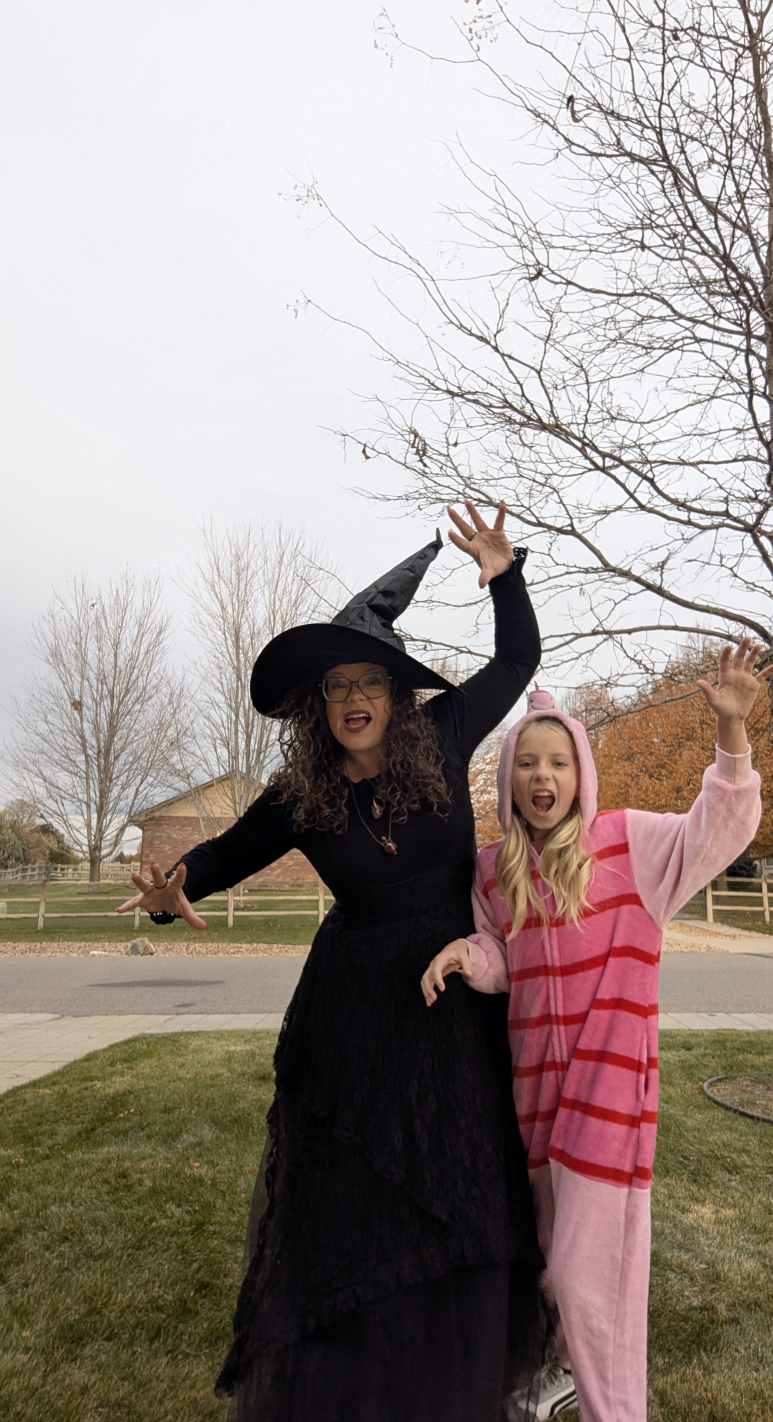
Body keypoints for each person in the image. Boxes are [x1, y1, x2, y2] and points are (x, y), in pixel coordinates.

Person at [117, 502, 545, 1422]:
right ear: (319, 703)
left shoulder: (444, 736)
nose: (354, 698)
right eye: (337, 685)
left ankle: (448, 1377)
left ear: (396, 692)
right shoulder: (300, 791)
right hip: (352, 1013)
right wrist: (173, 885)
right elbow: (225, 851)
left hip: (450, 1004)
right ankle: (356, 1374)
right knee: (356, 1195)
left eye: (370, 682)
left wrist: (506, 578)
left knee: (454, 1178)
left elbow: (516, 662)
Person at [421, 638, 773, 1422]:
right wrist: (467, 955)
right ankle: (561, 1373)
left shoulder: (628, 844)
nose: (542, 777)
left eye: (558, 762)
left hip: (611, 1101)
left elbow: (721, 827)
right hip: (535, 1104)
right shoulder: (495, 872)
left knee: (594, 1282)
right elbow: (505, 958)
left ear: (581, 773)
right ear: (509, 780)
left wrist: (732, 733)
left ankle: (614, 1408)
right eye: (526, 763)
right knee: (555, 1264)